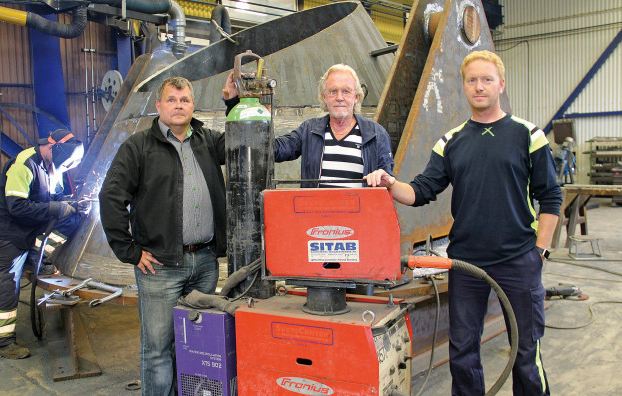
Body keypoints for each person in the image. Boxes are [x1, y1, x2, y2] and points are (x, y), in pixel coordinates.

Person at [366, 50, 561, 395]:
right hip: (467, 262)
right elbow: (421, 191)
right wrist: (390, 183)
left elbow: (551, 198)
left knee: (526, 352)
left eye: (487, 79)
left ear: (501, 84)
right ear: (464, 87)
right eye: (472, 80)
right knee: (463, 353)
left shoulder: (528, 135)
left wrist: (540, 252)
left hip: (518, 260)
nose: (479, 87)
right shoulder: (451, 142)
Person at [99, 75, 234, 396]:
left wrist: (234, 103)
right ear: (159, 106)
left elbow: (242, 143)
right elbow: (111, 197)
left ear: (193, 105)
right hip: (159, 267)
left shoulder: (207, 140)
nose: (178, 105)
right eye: (172, 100)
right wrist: (130, 251)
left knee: (196, 345)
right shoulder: (138, 147)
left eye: (184, 100)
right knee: (158, 348)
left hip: (204, 262)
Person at [0, 129, 86, 359]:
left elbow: (56, 199)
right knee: (7, 282)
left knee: (73, 219)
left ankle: (36, 256)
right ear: (52, 149)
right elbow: (17, 207)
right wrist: (55, 208)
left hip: (30, 230)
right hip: (7, 231)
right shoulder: (25, 164)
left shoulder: (55, 167)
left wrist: (73, 204)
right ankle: (3, 343)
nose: (64, 168)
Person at [224, 64, 394, 187]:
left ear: (356, 97)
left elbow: (388, 182)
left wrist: (383, 178)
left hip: (358, 225)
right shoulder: (309, 130)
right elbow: (271, 150)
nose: (339, 97)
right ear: (323, 97)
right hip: (316, 224)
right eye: (333, 91)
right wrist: (244, 105)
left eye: (346, 91)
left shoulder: (376, 134)